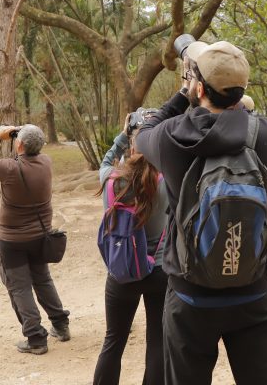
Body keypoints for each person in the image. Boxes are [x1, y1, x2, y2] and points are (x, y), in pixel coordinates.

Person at [135, 41, 267, 385]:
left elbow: (142, 132)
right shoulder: (266, 134)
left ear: (198, 87)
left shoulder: (171, 138)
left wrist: (184, 91)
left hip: (191, 294)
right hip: (253, 291)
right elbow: (239, 119)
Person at [0, 124, 70, 355]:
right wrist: (20, 137)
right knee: (42, 280)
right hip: (40, 237)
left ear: (20, 144)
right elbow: (25, 155)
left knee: (19, 287)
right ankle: (61, 326)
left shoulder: (8, 168)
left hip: (12, 241)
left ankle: (35, 338)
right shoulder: (46, 162)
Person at [93, 113, 168, 385]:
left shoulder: (110, 180)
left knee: (113, 341)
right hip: (159, 272)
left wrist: (123, 136)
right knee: (158, 341)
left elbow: (105, 160)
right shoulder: (166, 182)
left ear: (131, 146)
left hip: (121, 272)